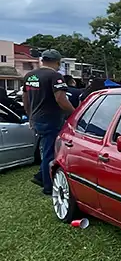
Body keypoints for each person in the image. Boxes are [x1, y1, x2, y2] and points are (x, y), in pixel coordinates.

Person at [22, 49, 75, 195]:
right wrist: (75, 113)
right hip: (51, 120)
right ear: (57, 62)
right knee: (50, 153)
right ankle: (48, 186)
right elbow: (60, 99)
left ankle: (40, 176)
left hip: (37, 119)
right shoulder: (55, 76)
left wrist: (30, 115)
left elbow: (25, 99)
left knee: (46, 149)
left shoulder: (29, 76)